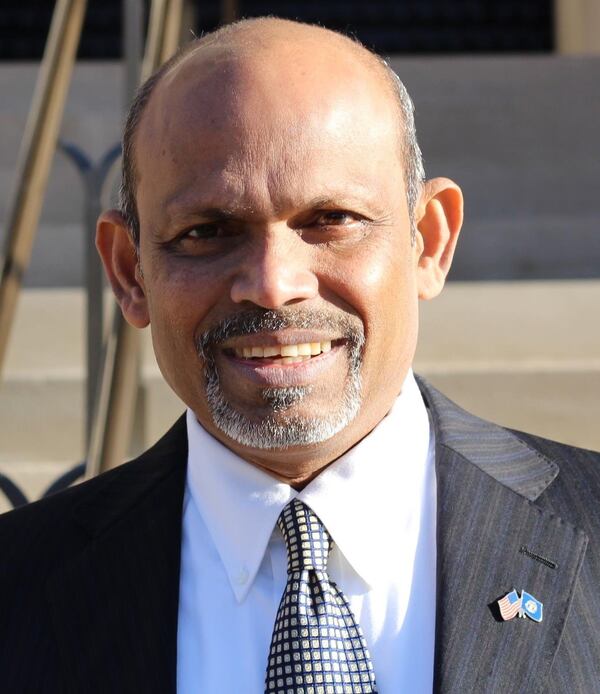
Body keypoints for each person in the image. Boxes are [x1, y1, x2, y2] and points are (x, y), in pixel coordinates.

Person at [1, 17, 598, 694]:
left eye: (331, 220)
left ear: (428, 242)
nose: (273, 283)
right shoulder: (19, 590)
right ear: (129, 273)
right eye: (207, 231)